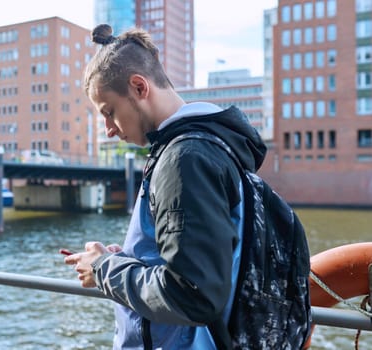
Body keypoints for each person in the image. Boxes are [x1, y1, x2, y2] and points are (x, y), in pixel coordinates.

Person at [64, 24, 267, 349]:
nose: (108, 130)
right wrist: (129, 257)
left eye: (109, 112)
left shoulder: (185, 160)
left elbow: (194, 294)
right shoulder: (208, 147)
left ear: (139, 87)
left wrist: (104, 269)